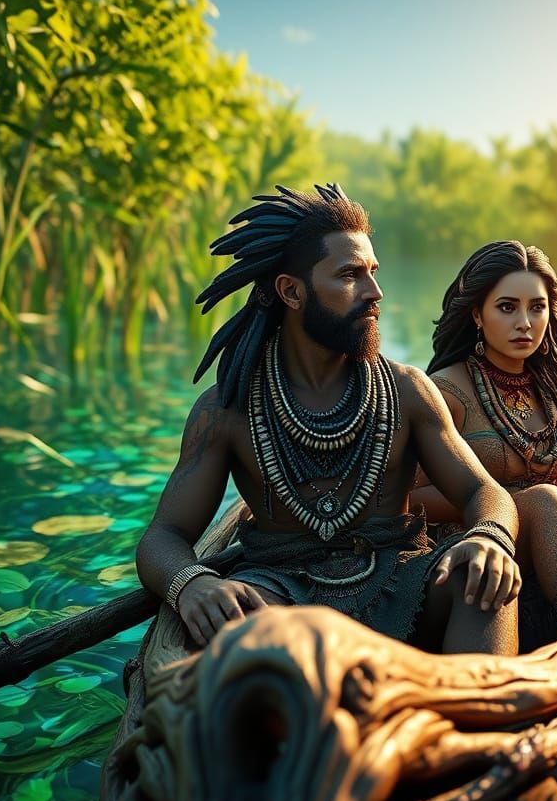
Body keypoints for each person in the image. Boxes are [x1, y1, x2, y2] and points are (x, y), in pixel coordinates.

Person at [136, 185, 522, 656]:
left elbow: (483, 492)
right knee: (230, 628)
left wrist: (489, 537)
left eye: (373, 273)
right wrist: (191, 583)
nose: (375, 292)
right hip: (281, 595)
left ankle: (483, 718)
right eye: (350, 275)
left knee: (481, 579)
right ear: (291, 291)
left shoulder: (408, 392)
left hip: (402, 578)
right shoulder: (225, 412)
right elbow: (164, 536)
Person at [410, 240, 557, 644]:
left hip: (546, 544)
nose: (525, 323)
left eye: (537, 307)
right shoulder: (446, 392)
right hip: (468, 543)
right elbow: (409, 500)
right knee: (548, 500)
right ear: (477, 314)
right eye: (507, 307)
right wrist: (545, 495)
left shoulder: (551, 388)